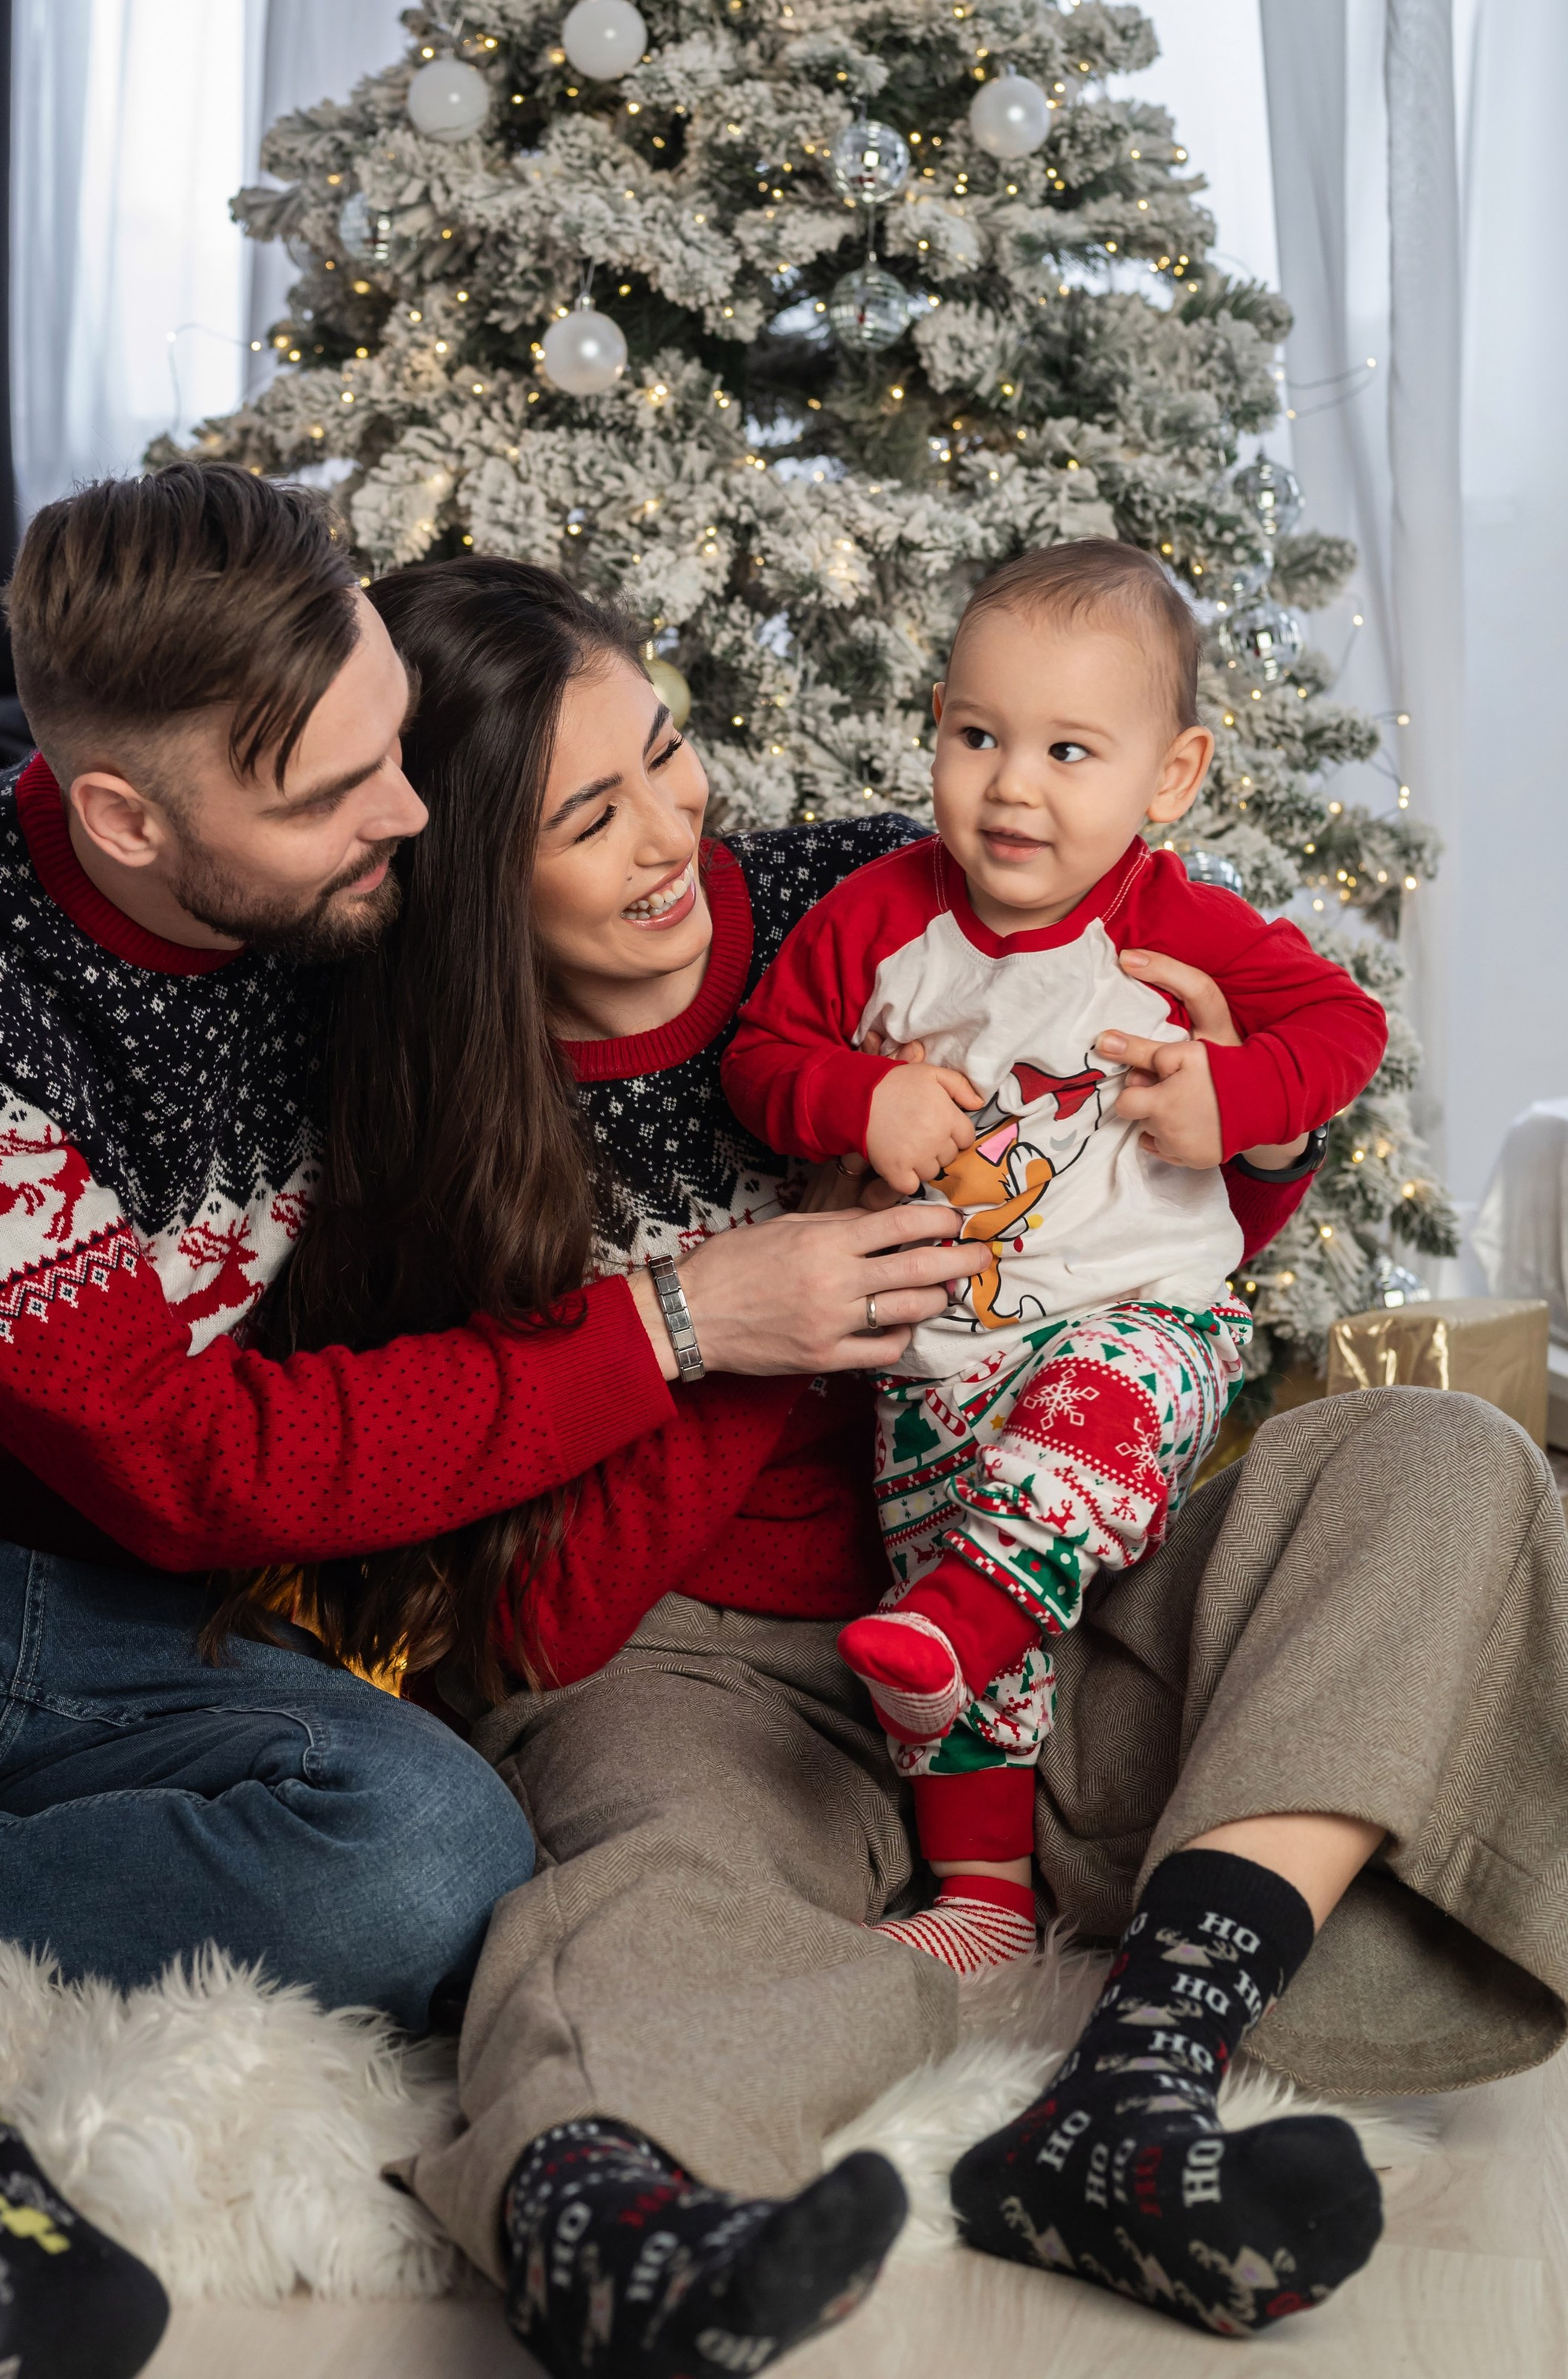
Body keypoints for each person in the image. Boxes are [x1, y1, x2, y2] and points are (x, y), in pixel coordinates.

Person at [0, 467, 976, 2379]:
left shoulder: (378, 904)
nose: (408, 816)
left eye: (396, 744)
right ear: (131, 815)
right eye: (330, 790)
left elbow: (739, 936)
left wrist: (1081, 953)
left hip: (180, 1652)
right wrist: (673, 1326)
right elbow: (183, 1464)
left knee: (428, 1860)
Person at [253, 553, 1568, 2374]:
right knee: (635, 1880)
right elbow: (530, 1627)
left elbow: (1147, 1244)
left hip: (1051, 1588)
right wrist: (723, 1321)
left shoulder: (868, 900)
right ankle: (603, 2212)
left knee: (1434, 1461)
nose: (671, 833)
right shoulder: (426, 1151)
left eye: (667, 752)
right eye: (587, 815)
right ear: (473, 870)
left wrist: (1217, 1118)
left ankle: (1135, 2088)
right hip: (717, 1675)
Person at [719, 539, 1386, 1990]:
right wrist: (861, 1099)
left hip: (1144, 1324)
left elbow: (1342, 1030)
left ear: (1171, 775)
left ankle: (967, 1612)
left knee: (1069, 1440)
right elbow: (765, 1063)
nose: (1012, 786)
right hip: (942, 1360)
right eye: (978, 736)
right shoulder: (881, 919)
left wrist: (1232, 1097)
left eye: (1070, 750)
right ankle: (982, 1890)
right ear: (939, 725)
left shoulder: (1172, 918)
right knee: (943, 1623)